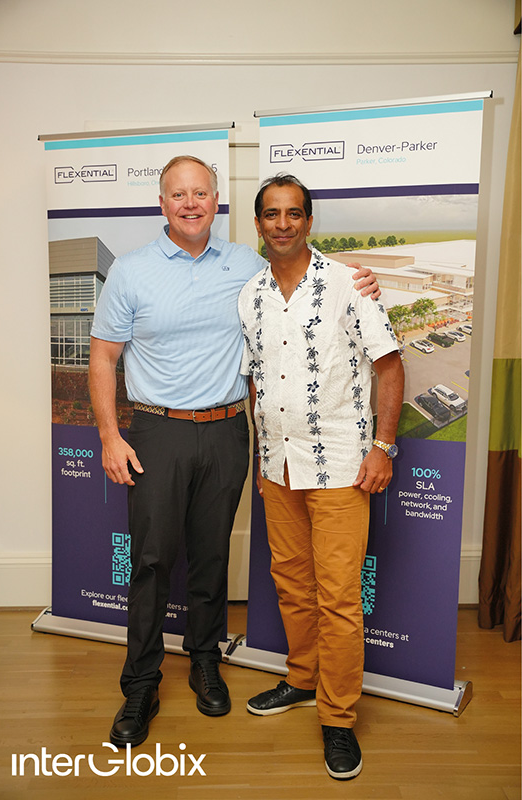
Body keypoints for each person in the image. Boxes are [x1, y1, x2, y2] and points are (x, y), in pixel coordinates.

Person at [88, 156, 379, 749]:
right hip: (157, 431)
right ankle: (140, 684)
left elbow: (304, 272)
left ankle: (204, 661)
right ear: (162, 203)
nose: (190, 204)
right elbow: (103, 356)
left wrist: (361, 279)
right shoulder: (131, 271)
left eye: (200, 193)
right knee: (151, 562)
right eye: (178, 195)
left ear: (217, 201)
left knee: (211, 557)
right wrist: (110, 436)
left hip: (227, 432)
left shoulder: (247, 265)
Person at [238, 174, 404, 781]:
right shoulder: (251, 295)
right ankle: (303, 679)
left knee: (337, 598)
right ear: (259, 223)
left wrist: (383, 447)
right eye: (271, 214)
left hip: (340, 466)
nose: (282, 224)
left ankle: (338, 718)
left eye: (293, 213)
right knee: (291, 584)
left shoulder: (347, 285)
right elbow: (256, 381)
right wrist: (262, 457)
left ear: (309, 221)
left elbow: (389, 366)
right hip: (278, 467)